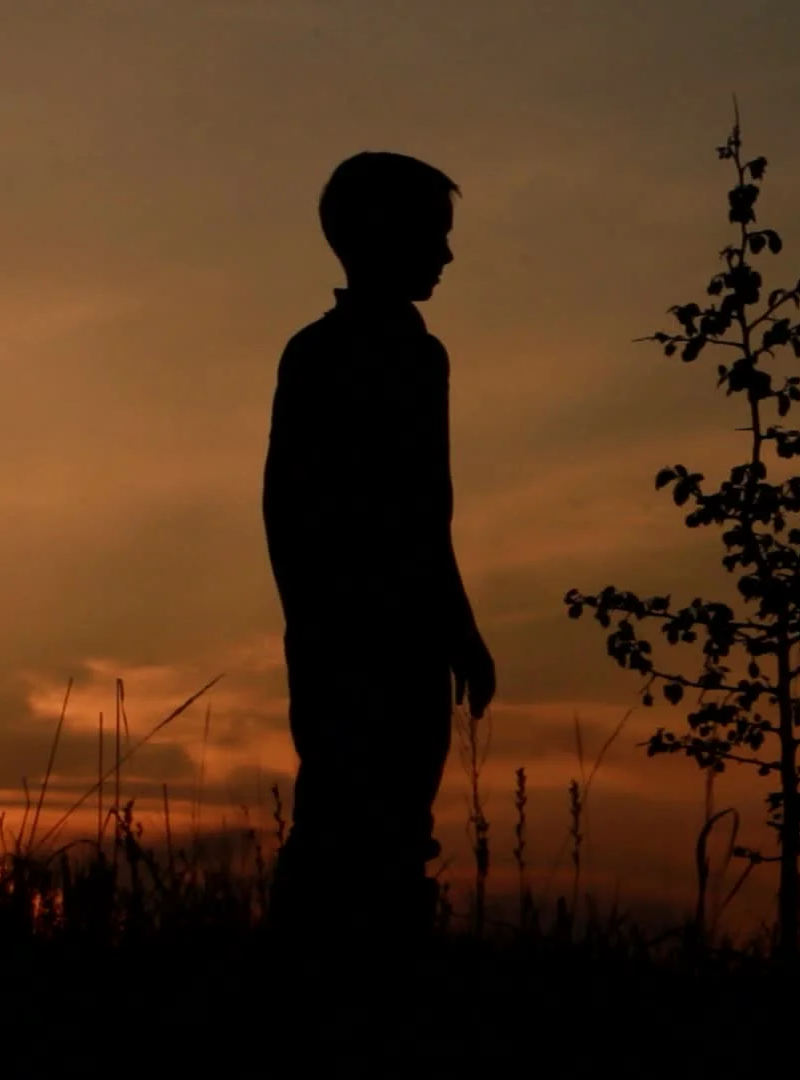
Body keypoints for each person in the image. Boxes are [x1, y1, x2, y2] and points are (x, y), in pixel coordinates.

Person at [262, 151, 497, 950]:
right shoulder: (352, 355)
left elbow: (423, 510)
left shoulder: (395, 353)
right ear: (378, 234)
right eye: (433, 233)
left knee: (378, 821)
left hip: (387, 637)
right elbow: (305, 508)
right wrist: (329, 623)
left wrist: (453, 629)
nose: (445, 254)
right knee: (350, 819)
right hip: (362, 640)